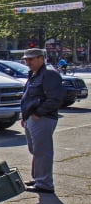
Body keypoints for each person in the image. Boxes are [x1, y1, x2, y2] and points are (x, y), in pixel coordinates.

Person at [20, 48, 66, 194]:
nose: (28, 62)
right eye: (26, 59)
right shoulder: (34, 74)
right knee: (35, 150)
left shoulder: (49, 75)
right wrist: (25, 116)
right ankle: (38, 178)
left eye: (31, 59)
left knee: (42, 151)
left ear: (41, 58)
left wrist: (38, 113)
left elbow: (55, 99)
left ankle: (44, 183)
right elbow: (29, 98)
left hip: (43, 118)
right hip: (31, 117)